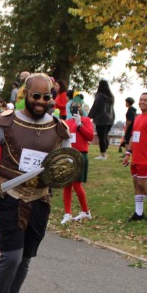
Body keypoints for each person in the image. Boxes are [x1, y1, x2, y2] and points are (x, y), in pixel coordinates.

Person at [0, 73, 71, 293]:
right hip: (10, 197)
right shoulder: (6, 122)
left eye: (46, 97)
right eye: (35, 96)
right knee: (12, 256)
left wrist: (62, 175)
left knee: (26, 260)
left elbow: (66, 164)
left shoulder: (60, 129)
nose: (40, 101)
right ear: (25, 95)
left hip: (40, 200)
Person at [123, 92, 147, 221]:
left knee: (142, 182)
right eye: (141, 100)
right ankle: (138, 213)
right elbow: (133, 137)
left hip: (146, 157)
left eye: (145, 100)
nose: (142, 102)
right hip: (136, 157)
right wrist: (128, 153)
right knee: (136, 183)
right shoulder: (138, 117)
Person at [62, 94, 95, 223]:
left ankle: (85, 211)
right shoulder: (67, 122)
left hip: (81, 154)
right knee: (67, 185)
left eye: (77, 106)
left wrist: (80, 124)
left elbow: (90, 136)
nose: (75, 109)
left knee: (77, 184)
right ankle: (67, 213)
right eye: (73, 106)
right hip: (69, 154)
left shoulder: (86, 120)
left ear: (81, 108)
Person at [89, 79, 115, 160]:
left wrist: (89, 116)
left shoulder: (99, 96)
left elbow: (95, 107)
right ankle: (105, 152)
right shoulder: (110, 96)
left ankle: (103, 155)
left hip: (101, 119)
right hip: (110, 119)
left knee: (101, 137)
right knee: (105, 136)